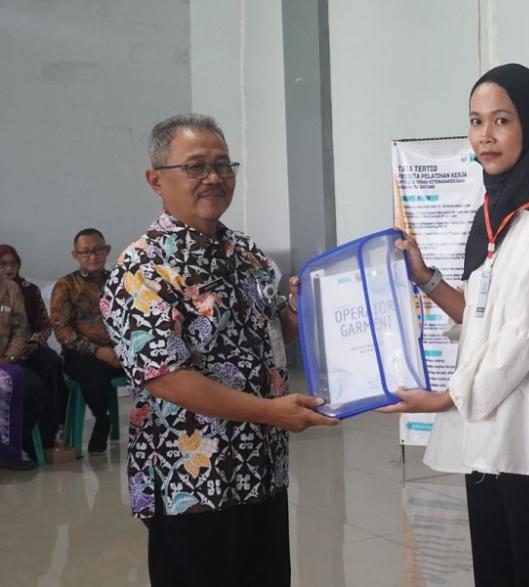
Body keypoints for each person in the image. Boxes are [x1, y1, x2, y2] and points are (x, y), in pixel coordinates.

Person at [381, 63, 529, 587]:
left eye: (502, 120)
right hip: (489, 435)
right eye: (476, 120)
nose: (485, 135)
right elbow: (482, 316)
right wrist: (426, 279)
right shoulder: (498, 212)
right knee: (495, 571)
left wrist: (446, 399)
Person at [101, 113, 339, 587]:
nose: (213, 177)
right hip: (191, 482)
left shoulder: (245, 252)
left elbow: (270, 334)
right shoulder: (142, 268)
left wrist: (303, 307)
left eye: (223, 165)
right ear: (156, 180)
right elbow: (165, 377)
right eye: (195, 167)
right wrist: (271, 412)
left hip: (261, 470)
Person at [50, 228, 125, 454]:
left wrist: (122, 349)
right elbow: (61, 329)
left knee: (155, 367)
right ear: (75, 255)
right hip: (82, 353)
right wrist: (98, 351)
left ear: (107, 250)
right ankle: (103, 419)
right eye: (85, 252)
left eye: (98, 250)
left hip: (120, 349)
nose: (93, 256)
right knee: (93, 376)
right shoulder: (66, 285)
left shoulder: (119, 281)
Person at [0, 244, 69, 433]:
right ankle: (27, 434)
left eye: (13, 263)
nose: (9, 268)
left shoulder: (30, 290)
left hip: (30, 347)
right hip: (6, 352)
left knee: (52, 362)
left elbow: (44, 325)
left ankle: (56, 424)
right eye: (3, 264)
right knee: (31, 384)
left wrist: (34, 342)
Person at [0, 267, 53, 468]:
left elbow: (20, 330)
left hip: (6, 361)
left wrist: (10, 357)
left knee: (34, 388)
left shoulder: (10, 289)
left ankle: (11, 448)